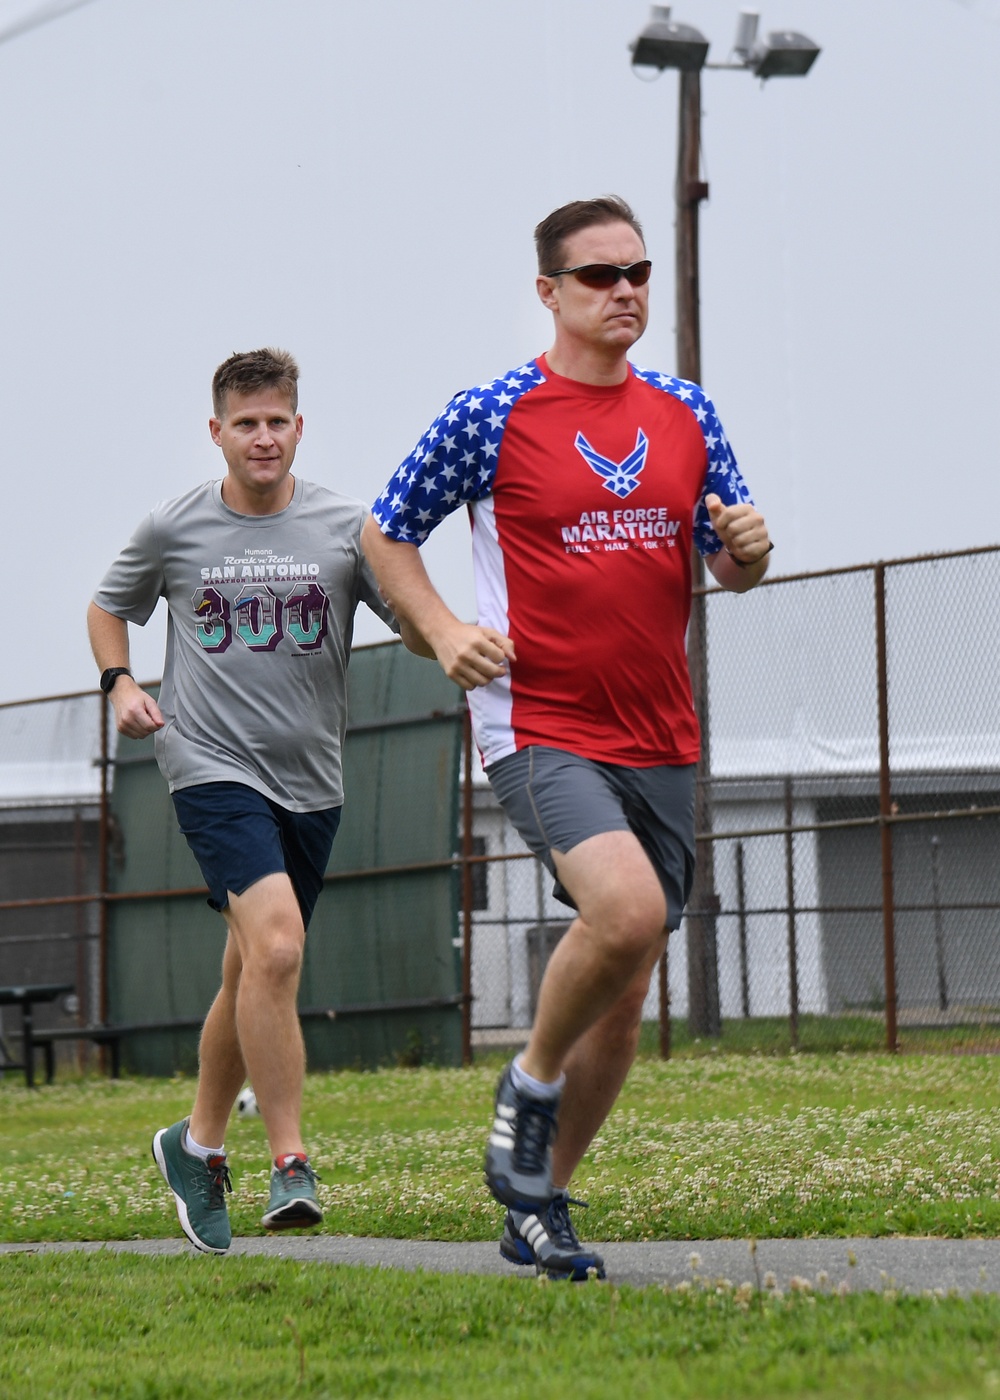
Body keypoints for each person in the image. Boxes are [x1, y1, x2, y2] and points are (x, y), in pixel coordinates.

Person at [361, 195, 773, 1282]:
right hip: (536, 722)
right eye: (599, 275)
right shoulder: (493, 411)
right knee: (626, 911)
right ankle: (529, 1083)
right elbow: (383, 529)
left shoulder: (686, 411)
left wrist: (748, 548)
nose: (625, 289)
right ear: (548, 292)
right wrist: (443, 628)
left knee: (629, 983)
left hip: (660, 729)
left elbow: (725, 560)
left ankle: (537, 1201)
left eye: (637, 270)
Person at [88, 347, 423, 1254]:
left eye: (277, 421)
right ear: (217, 433)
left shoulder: (346, 528)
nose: (263, 437)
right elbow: (107, 606)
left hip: (313, 781)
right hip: (208, 764)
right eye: (246, 423)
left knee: (251, 971)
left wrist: (463, 638)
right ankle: (289, 1163)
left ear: (299, 428)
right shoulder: (176, 527)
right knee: (279, 944)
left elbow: (415, 622)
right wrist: (121, 683)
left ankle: (194, 1146)